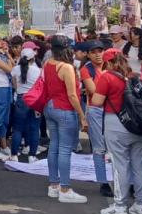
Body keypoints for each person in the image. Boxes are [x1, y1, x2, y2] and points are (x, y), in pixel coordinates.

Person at [93, 49, 142, 214]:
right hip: (139, 125)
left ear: (108, 62)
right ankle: (141, 205)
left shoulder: (107, 77)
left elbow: (97, 101)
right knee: (141, 166)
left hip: (116, 123)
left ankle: (120, 207)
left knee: (120, 167)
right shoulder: (135, 76)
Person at [44, 35, 88, 203]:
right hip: (64, 109)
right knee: (64, 149)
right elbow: (72, 95)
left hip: (50, 106)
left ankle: (54, 185)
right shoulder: (67, 68)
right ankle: (65, 188)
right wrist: (82, 116)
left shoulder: (48, 64)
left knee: (54, 146)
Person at [78, 40, 112, 195]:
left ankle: (126, 182)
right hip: (97, 110)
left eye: (100, 51)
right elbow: (93, 90)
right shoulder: (86, 69)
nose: (98, 55)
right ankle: (103, 182)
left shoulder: (111, 64)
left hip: (114, 110)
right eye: (94, 52)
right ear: (88, 54)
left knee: (119, 148)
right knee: (99, 148)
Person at [10, 47, 42, 161]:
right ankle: (32, 156)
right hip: (34, 100)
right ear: (33, 58)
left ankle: (14, 155)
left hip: (20, 99)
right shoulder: (38, 70)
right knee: (34, 128)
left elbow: (14, 85)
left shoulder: (15, 69)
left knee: (17, 129)